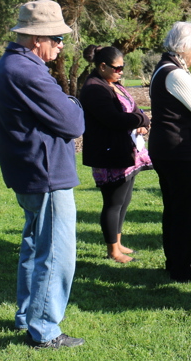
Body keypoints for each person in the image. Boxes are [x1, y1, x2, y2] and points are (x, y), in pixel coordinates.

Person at [0, 0, 85, 349]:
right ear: (35, 39)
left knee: (34, 247)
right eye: (56, 37)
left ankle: (27, 317)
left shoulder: (10, 65)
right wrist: (73, 101)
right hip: (46, 175)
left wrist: (66, 102)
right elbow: (74, 122)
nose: (61, 44)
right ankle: (44, 330)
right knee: (56, 253)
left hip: (29, 172)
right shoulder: (27, 71)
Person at [149, 21, 191, 283]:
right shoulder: (175, 73)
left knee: (174, 209)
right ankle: (182, 269)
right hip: (175, 149)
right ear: (186, 46)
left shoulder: (164, 68)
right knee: (184, 211)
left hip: (165, 148)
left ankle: (175, 261)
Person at [79, 45, 151, 264]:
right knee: (113, 202)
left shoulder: (113, 84)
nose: (121, 71)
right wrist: (142, 120)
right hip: (108, 154)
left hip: (124, 151)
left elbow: (135, 109)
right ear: (102, 66)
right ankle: (113, 250)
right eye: (117, 68)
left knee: (124, 199)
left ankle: (118, 243)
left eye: (123, 67)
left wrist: (141, 119)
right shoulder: (94, 88)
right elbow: (113, 119)